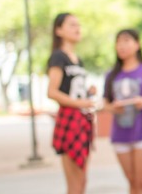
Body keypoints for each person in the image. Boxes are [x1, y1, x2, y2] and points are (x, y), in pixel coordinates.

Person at [102, 29, 142, 194]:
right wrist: (113, 107)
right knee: (132, 182)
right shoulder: (111, 74)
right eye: (118, 41)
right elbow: (105, 103)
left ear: (137, 44)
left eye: (126, 41)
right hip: (120, 135)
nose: (121, 45)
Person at [47, 12, 95, 194]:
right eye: (72, 25)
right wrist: (79, 103)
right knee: (75, 184)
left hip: (83, 120)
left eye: (78, 25)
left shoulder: (78, 59)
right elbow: (52, 92)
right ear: (59, 30)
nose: (77, 28)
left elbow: (73, 89)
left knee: (82, 181)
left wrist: (88, 94)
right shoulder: (58, 57)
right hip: (70, 119)